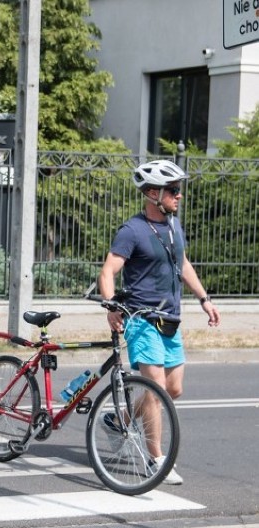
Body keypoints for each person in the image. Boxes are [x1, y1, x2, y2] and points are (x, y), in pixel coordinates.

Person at [98, 159, 221, 485]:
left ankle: (118, 419)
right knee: (156, 390)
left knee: (174, 389)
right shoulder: (132, 230)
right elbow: (108, 270)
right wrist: (111, 305)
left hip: (171, 320)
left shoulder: (173, 226)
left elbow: (182, 264)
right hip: (141, 319)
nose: (179, 196)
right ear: (153, 193)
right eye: (174, 191)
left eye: (178, 190)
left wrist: (204, 298)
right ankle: (156, 459)